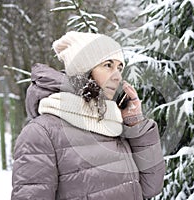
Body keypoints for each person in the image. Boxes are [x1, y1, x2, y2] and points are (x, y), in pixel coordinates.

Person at [11, 31, 165, 200]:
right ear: (83, 69)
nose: (117, 76)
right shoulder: (41, 133)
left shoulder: (114, 124)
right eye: (108, 65)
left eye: (120, 68)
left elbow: (151, 187)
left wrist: (135, 122)